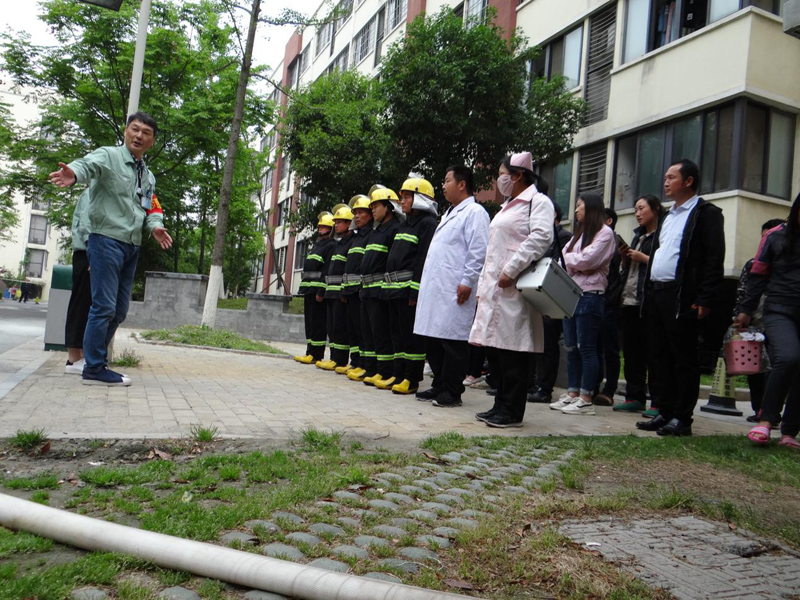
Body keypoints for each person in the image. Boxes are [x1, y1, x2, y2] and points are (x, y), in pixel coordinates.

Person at [49, 112, 172, 386]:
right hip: (105, 240)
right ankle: (93, 367)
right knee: (102, 306)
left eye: (146, 133)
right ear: (126, 131)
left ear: (152, 140)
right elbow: (87, 165)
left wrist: (155, 227)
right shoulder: (109, 156)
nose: (139, 136)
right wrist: (73, 173)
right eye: (135, 129)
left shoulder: (146, 175)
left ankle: (94, 360)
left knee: (118, 311)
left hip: (132, 245)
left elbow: (149, 207)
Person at [636, 159, 725, 437]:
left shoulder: (706, 213)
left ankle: (682, 418)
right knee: (658, 355)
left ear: (688, 181)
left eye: (671, 177)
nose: (665, 182)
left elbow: (714, 258)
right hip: (657, 292)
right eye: (665, 177)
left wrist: (705, 298)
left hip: (682, 295)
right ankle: (664, 410)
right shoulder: (667, 216)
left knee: (682, 357)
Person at [469, 152, 554, 427]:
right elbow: (492, 251)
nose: (499, 179)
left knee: (513, 350)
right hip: (495, 288)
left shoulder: (538, 202)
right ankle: (500, 404)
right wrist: (483, 286)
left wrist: (512, 268)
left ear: (518, 175)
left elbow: (541, 236)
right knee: (496, 350)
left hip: (514, 287)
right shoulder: (506, 206)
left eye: (502, 174)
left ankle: (512, 411)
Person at [414, 166, 489, 407]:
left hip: (455, 288)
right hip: (438, 288)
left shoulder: (475, 212)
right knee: (434, 339)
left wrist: (468, 280)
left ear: (462, 184)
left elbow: (478, 250)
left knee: (453, 341)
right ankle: (439, 384)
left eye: (447, 180)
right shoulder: (449, 213)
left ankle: (453, 391)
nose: (443, 185)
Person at [736, 194, 800, 449]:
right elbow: (757, 275)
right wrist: (746, 310)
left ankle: (790, 432)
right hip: (779, 309)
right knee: (788, 357)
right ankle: (765, 420)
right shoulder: (774, 236)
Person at [549, 193, 616, 416]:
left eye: (579, 206)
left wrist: (575, 262)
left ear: (592, 207)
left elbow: (589, 260)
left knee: (586, 347)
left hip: (590, 295)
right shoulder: (579, 234)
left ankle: (586, 397)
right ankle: (573, 393)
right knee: (571, 348)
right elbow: (562, 259)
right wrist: (577, 263)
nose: (576, 210)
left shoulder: (605, 233)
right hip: (571, 294)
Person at [380, 177, 438, 395]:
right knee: (396, 335)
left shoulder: (427, 224)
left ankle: (411, 379)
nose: (401, 201)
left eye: (406, 197)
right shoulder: (405, 223)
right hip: (393, 290)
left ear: (420, 199)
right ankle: (399, 374)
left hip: (408, 291)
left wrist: (415, 290)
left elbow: (423, 259)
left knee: (411, 337)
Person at [612, 195, 664, 414]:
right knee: (632, 352)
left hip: (648, 300)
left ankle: (658, 402)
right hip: (629, 299)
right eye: (635, 209)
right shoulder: (638, 237)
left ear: (655, 209)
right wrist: (625, 257)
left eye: (642, 208)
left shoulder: (662, 235)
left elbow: (665, 265)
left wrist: (643, 258)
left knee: (653, 352)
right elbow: (629, 269)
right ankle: (634, 396)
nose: (638, 213)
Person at [733, 218, 785, 422]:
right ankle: (759, 410)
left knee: (777, 366)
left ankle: (771, 411)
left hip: (779, 321)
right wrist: (739, 315)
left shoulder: (786, 263)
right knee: (754, 368)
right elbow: (743, 291)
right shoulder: (752, 264)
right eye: (764, 237)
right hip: (754, 323)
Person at [527, 202, 573, 404]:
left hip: (550, 296)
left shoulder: (563, 237)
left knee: (548, 343)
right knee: (535, 342)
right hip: (535, 293)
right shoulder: (540, 236)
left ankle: (545, 387)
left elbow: (555, 265)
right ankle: (532, 382)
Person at [360, 187, 402, 387]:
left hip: (380, 290)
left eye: (376, 206)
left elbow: (390, 262)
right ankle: (372, 368)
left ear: (389, 207)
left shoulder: (394, 229)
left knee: (382, 333)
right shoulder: (377, 231)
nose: (373, 210)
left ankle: (386, 372)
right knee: (370, 333)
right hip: (368, 290)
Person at [294, 212, 337, 364]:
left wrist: (321, 291)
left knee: (318, 323)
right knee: (310, 323)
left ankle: (317, 354)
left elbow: (326, 269)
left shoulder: (331, 245)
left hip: (318, 291)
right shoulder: (317, 245)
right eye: (320, 226)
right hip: (309, 290)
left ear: (330, 229)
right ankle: (310, 351)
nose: (321, 229)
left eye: (324, 227)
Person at [317, 204, 355, 372]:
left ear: (348, 224)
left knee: (340, 327)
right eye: (336, 222)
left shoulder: (351, 243)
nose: (336, 225)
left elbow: (347, 269)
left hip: (340, 291)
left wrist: (343, 289)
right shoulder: (340, 244)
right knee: (332, 327)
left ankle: (340, 359)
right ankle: (333, 357)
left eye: (340, 222)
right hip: (331, 291)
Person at [341, 195, 374, 380]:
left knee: (363, 330)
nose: (357, 216)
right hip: (350, 290)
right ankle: (355, 362)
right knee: (352, 329)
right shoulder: (356, 237)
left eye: (361, 212)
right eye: (355, 213)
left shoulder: (370, 235)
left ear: (370, 214)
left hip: (360, 290)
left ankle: (364, 363)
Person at [593, 208, 623, 406]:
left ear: (609, 221)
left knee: (610, 348)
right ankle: (592, 387)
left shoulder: (617, 243)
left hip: (610, 301)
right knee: (593, 346)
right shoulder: (592, 240)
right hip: (596, 298)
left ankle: (609, 389)